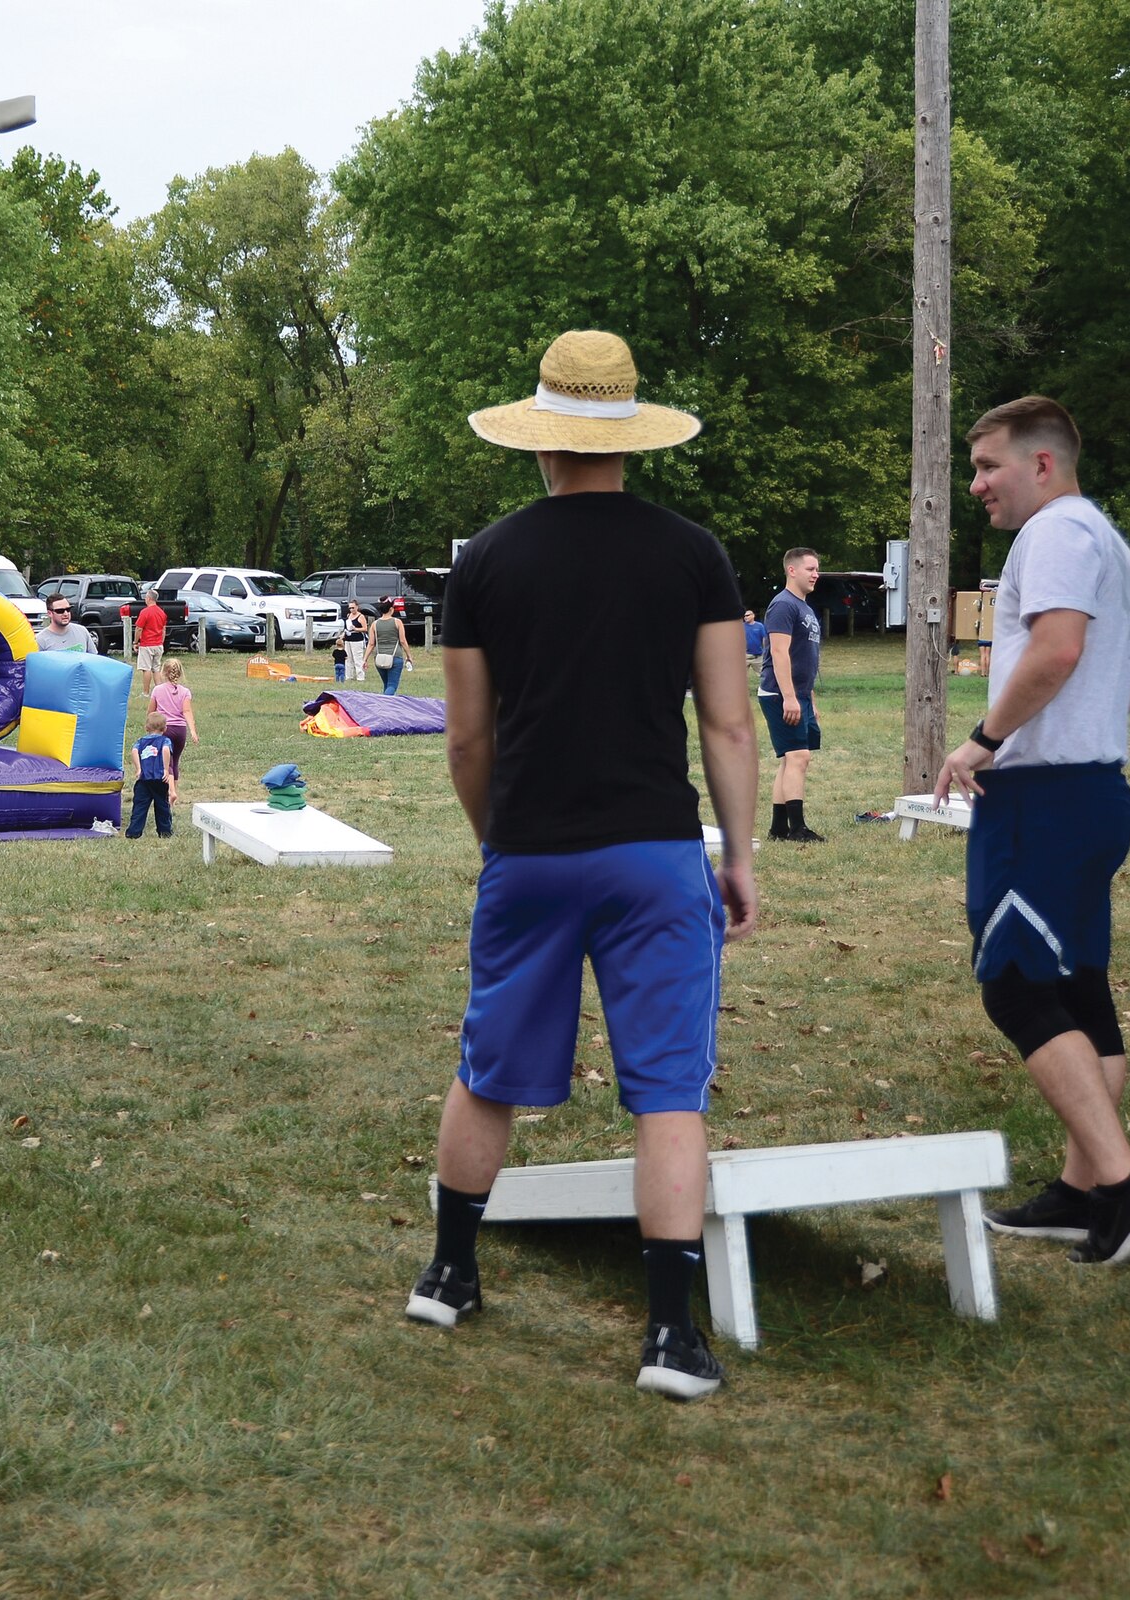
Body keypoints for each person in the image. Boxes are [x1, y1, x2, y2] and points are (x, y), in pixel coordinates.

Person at [408, 328, 758, 1402]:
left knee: (488, 1066)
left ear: (540, 439)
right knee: (666, 1090)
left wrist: (495, 835)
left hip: (529, 850)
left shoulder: (486, 563)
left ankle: (447, 1273)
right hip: (654, 851)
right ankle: (668, 1337)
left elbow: (468, 738)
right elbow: (727, 723)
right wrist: (738, 854)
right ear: (629, 439)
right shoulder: (692, 553)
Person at [935, 395, 1130, 1265]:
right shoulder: (1108, 541)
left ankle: (1122, 1180)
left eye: (988, 466)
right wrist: (1081, 738)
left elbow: (1058, 648)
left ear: (1042, 463)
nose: (976, 486)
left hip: (1043, 800)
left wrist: (986, 741)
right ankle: (1082, 1195)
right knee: (1079, 989)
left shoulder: (1055, 535)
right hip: (1091, 790)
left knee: (1014, 982)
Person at [757, 547, 824, 841]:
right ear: (792, 570)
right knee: (799, 757)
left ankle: (777, 829)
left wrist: (809, 698)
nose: (816, 574)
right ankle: (797, 829)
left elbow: (804, 659)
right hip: (779, 694)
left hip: (799, 695)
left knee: (789, 759)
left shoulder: (804, 607)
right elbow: (779, 652)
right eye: (810, 569)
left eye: (817, 569)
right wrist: (789, 697)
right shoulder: (783, 605)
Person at [125, 710, 177, 838]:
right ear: (165, 728)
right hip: (159, 779)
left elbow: (134, 751)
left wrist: (138, 768)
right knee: (162, 807)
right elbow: (165, 750)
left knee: (139, 807)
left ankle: (133, 832)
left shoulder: (140, 741)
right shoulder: (165, 741)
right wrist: (165, 769)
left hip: (143, 779)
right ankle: (164, 832)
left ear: (146, 728)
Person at [149, 658, 198, 779]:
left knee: (166, 762)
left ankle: (169, 792)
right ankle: (174, 789)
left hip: (164, 729)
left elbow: (151, 711)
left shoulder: (157, 690)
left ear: (163, 673)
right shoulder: (185, 692)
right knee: (175, 761)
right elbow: (187, 711)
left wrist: (149, 727)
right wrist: (192, 730)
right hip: (180, 730)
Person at [370, 598, 414, 694]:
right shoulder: (397, 622)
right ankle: (384, 704)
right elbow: (402, 641)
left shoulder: (374, 624)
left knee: (386, 684)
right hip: (395, 657)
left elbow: (371, 644)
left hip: (379, 657)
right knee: (392, 685)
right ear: (391, 609)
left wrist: (364, 659)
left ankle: (385, 705)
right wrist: (409, 656)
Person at [133, 588, 166, 693]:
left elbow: (139, 628)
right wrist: (161, 641)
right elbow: (163, 629)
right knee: (156, 669)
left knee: (146, 668)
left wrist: (135, 642)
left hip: (147, 644)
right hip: (158, 644)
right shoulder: (161, 612)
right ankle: (160, 693)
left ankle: (146, 692)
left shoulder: (145, 612)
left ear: (148, 598)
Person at [343, 601, 370, 681]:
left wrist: (356, 629)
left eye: (353, 608)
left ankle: (360, 677)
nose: (351, 610)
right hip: (348, 639)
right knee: (348, 658)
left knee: (357, 659)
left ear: (357, 607)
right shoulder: (349, 616)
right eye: (350, 608)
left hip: (357, 640)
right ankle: (349, 676)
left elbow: (365, 629)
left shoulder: (361, 616)